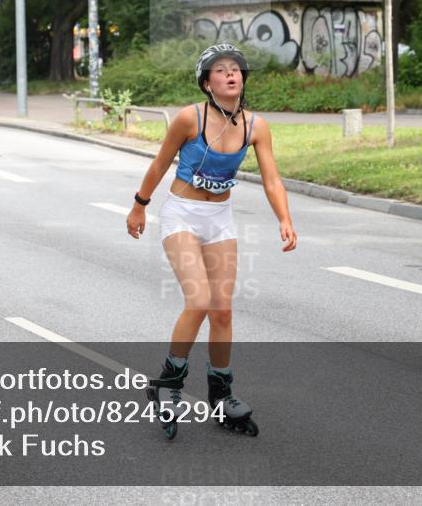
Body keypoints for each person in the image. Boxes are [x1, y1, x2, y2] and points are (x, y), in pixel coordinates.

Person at [126, 43, 298, 439]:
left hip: (219, 218)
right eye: (220, 71)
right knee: (199, 301)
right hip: (182, 213)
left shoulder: (256, 126)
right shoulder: (190, 118)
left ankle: (221, 395)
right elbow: (160, 162)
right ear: (207, 83)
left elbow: (271, 178)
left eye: (235, 70)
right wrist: (139, 206)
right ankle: (168, 382)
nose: (231, 75)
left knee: (222, 311)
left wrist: (285, 219)